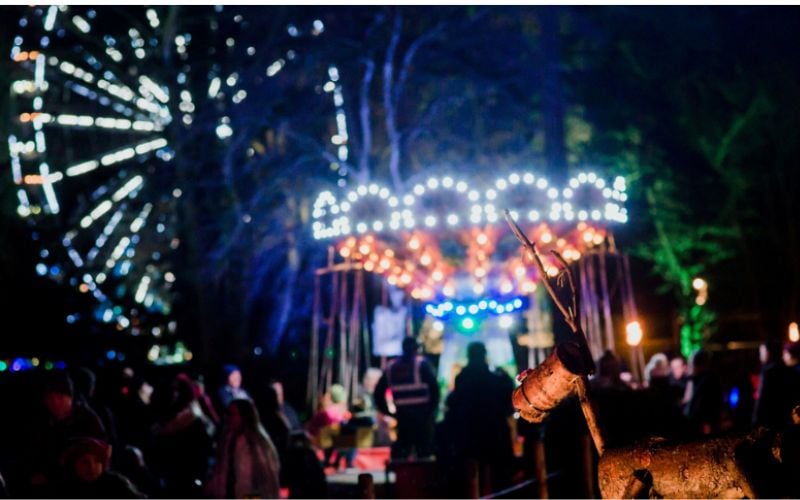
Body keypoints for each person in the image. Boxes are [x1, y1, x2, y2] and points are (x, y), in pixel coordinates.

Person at [446, 342, 515, 493]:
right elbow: (509, 404)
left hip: (470, 436)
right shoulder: (497, 378)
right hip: (494, 434)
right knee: (499, 480)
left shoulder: (462, 379)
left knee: (472, 480)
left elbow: (453, 404)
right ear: (484, 355)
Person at [28, 372, 106, 492]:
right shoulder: (44, 421)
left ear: (70, 397)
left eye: (60, 397)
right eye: (50, 398)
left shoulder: (86, 420)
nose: (55, 402)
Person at [374, 337, 440, 459]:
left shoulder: (391, 367)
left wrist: (389, 413)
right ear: (417, 349)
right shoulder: (422, 365)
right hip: (422, 419)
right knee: (424, 455)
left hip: (403, 418)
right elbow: (435, 390)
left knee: (402, 455)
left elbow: (378, 393)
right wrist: (431, 411)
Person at [151, 373, 215, 497]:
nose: (174, 394)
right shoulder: (175, 414)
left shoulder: (191, 416)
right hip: (177, 469)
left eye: (177, 390)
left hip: (186, 469)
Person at [206, 399, 281, 499]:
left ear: (244, 417)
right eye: (227, 414)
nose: (227, 418)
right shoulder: (227, 439)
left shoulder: (258, 444)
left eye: (231, 414)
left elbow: (265, 481)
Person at [56, 437, 143, 498]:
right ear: (73, 465)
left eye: (97, 461)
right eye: (84, 462)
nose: (92, 467)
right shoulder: (67, 490)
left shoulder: (115, 483)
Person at [753, 341, 800, 429]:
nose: (760, 355)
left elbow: (761, 400)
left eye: (762, 352)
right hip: (787, 420)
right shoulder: (790, 370)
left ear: (768, 352)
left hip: (770, 421)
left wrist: (755, 420)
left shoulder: (767, 373)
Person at [684, 350, 723, 435]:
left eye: (691, 363)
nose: (689, 367)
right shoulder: (699, 380)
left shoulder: (707, 381)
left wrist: (706, 423)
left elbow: (706, 405)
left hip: (702, 428)